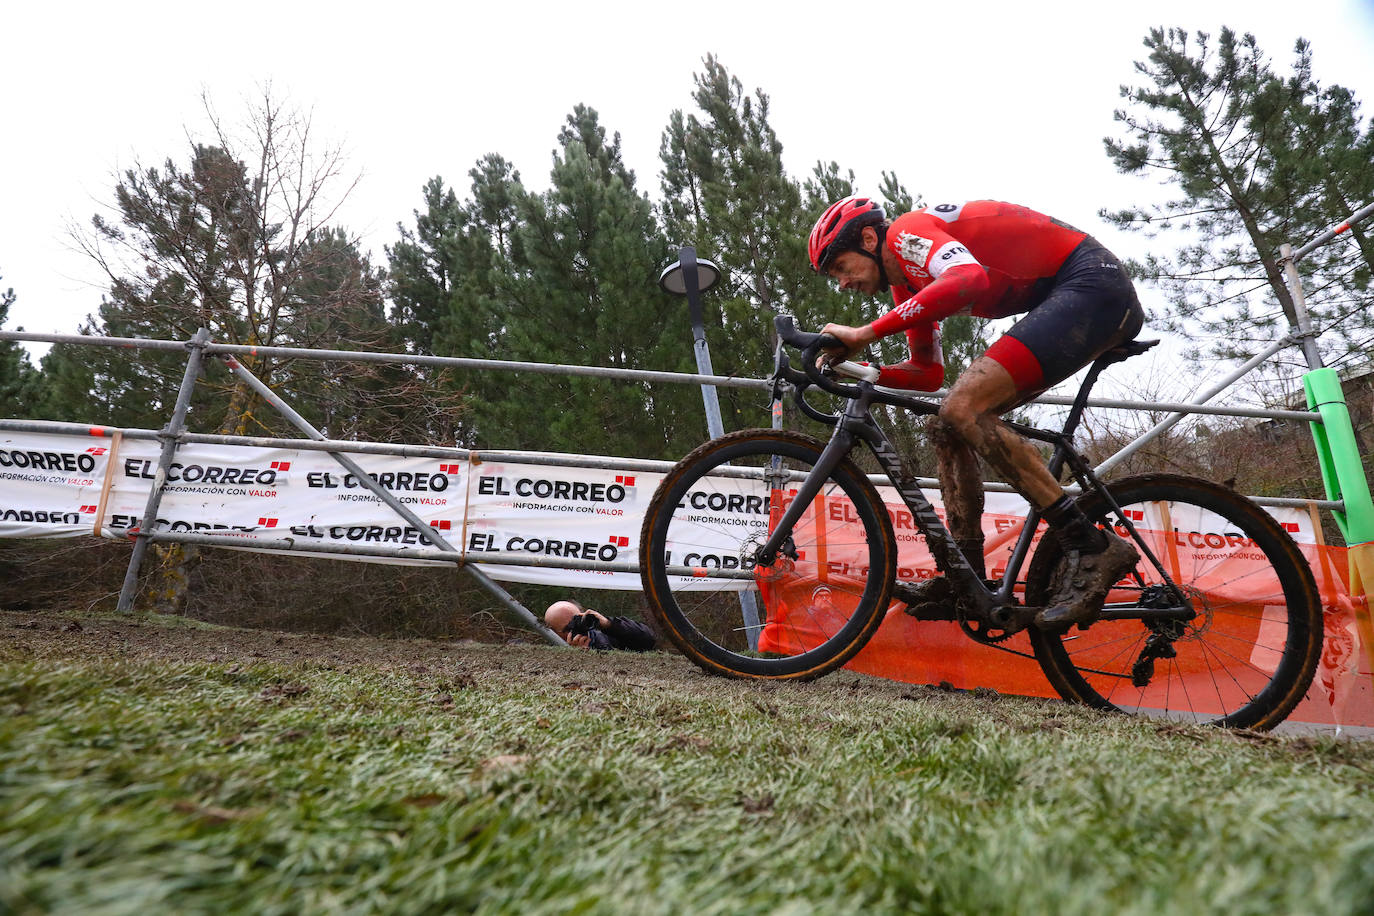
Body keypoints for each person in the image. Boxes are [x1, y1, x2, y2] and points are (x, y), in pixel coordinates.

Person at [807, 197, 1145, 629]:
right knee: (947, 425)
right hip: (1076, 293)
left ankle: (1088, 543)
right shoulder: (905, 282)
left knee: (963, 407)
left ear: (870, 238)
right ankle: (964, 576)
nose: (841, 283)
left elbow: (970, 278)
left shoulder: (908, 231)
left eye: (840, 267)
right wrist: (859, 368)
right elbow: (927, 373)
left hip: (1091, 284)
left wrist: (866, 333)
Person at [544, 599, 657, 651]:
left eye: (578, 620)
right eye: (568, 628)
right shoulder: (549, 653)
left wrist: (609, 624)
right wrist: (574, 655)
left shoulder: (607, 636)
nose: (577, 628)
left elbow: (648, 640)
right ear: (552, 633)